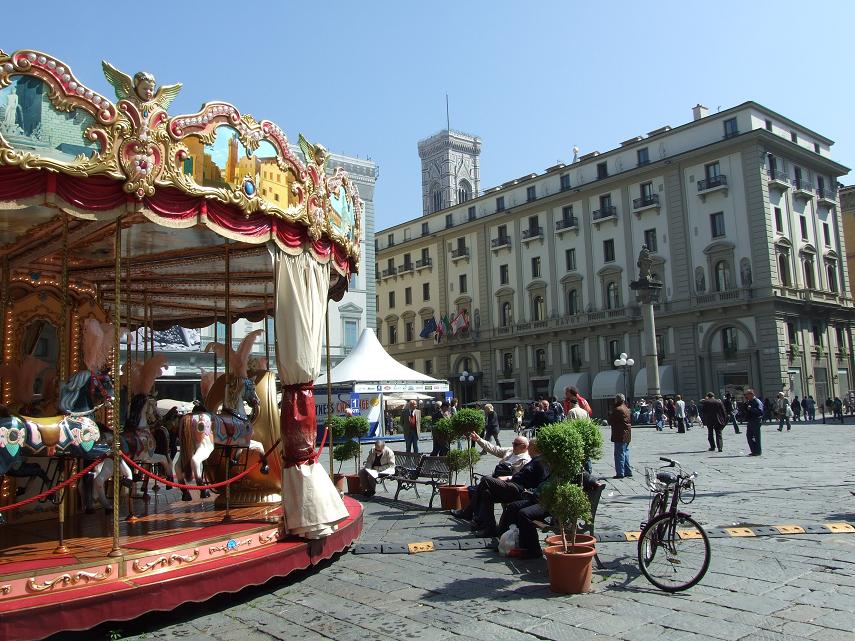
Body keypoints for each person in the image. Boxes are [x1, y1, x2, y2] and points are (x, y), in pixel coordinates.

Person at [469, 438, 548, 537]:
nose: (528, 449)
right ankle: (490, 528)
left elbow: (541, 482)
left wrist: (509, 478)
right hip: (511, 484)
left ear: (534, 448)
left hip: (519, 489)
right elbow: (495, 449)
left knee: (486, 480)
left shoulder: (539, 462)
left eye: (530, 447)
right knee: (487, 493)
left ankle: (469, 511)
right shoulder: (533, 460)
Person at [451, 433, 531, 521]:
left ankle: (468, 513)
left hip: (509, 486)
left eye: (515, 444)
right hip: (497, 481)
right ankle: (482, 521)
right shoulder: (510, 451)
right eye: (513, 443)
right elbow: (494, 449)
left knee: (484, 481)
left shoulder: (526, 460)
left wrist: (507, 477)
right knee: (484, 491)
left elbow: (521, 476)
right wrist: (479, 440)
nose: (513, 446)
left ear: (524, 447)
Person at [608, 393, 632, 479]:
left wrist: (611, 412)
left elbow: (610, 421)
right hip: (627, 434)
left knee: (619, 454)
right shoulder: (626, 408)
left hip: (619, 434)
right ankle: (628, 471)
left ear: (617, 400)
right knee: (625, 453)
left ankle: (620, 473)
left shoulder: (617, 409)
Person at [744, 389, 764, 456]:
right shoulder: (750, 401)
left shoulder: (757, 401)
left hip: (756, 421)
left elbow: (760, 411)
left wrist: (751, 409)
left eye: (747, 395)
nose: (746, 396)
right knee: (749, 436)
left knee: (756, 437)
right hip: (751, 420)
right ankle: (753, 450)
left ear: (751, 394)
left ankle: (758, 451)